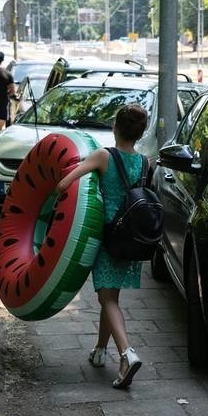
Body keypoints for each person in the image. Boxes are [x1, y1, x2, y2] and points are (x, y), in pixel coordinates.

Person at [56, 104, 146, 389]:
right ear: (140, 133)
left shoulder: (104, 156)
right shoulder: (145, 162)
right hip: (132, 241)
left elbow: (63, 184)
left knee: (107, 300)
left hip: (109, 239)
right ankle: (99, 351)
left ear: (115, 127)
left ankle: (126, 354)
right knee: (111, 298)